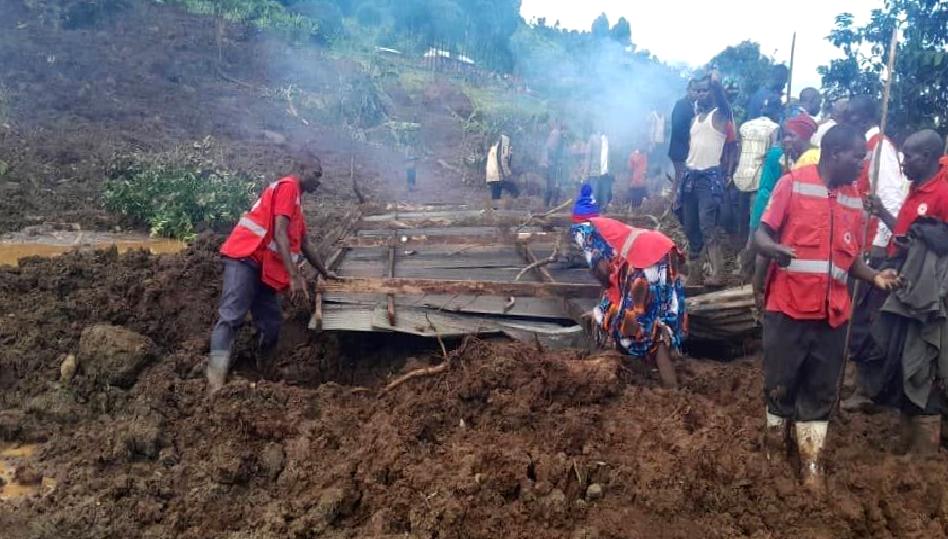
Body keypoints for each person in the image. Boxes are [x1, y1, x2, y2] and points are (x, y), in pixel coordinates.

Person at [754, 124, 900, 490]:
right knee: (780, 385)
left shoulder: (853, 198)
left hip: (832, 314)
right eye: (857, 157)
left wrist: (873, 277)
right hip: (788, 309)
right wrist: (773, 251)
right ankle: (774, 452)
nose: (862, 165)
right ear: (834, 153)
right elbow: (760, 235)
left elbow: (848, 260)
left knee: (820, 391)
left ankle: (811, 467)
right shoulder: (793, 183)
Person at [207, 151, 337, 393]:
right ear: (301, 168)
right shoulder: (288, 187)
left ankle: (262, 375)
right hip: (245, 256)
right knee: (231, 316)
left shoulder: (296, 202)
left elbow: (306, 243)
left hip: (263, 266)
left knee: (272, 323)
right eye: (316, 175)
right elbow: (279, 232)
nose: (319, 181)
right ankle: (215, 385)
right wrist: (295, 277)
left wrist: (326, 273)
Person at [860, 130, 948, 454]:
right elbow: (904, 233)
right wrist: (882, 212)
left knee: (922, 359)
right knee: (900, 356)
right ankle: (910, 441)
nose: (903, 161)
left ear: (926, 157)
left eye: (908, 156)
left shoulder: (943, 192)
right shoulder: (916, 188)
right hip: (904, 287)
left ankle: (925, 451)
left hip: (929, 299)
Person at [570, 209, 687, 389]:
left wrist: (602, 311)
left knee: (642, 325)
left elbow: (604, 272)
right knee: (661, 316)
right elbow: (613, 281)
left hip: (644, 259)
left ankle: (671, 388)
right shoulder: (602, 225)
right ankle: (666, 366)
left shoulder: (584, 233)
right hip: (662, 248)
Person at [744, 115, 820, 280]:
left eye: (792, 136)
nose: (786, 140)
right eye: (784, 135)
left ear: (805, 136)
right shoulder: (790, 157)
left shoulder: (811, 158)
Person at [676, 75, 734, 287]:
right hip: (691, 176)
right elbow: (692, 151)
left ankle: (718, 273)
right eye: (698, 91)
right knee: (691, 225)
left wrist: (717, 84)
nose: (701, 94)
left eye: (705, 90)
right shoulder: (695, 120)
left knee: (707, 226)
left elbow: (723, 101)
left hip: (708, 178)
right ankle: (695, 273)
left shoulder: (720, 116)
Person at [844, 95, 908, 256]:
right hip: (856, 237)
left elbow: (890, 197)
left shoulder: (880, 146)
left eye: (851, 114)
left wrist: (880, 244)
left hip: (871, 240)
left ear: (865, 117)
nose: (847, 120)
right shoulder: (864, 145)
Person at [733, 110, 780, 243]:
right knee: (755, 217)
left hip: (741, 175)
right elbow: (772, 154)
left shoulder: (745, 126)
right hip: (758, 177)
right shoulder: (774, 127)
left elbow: (740, 150)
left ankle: (740, 244)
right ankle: (750, 246)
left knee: (742, 215)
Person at [668, 80, 697, 186]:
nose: (696, 93)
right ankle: (675, 202)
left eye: (698, 91)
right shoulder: (681, 104)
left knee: (682, 180)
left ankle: (675, 201)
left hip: (687, 151)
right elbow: (677, 127)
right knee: (681, 180)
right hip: (680, 150)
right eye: (694, 90)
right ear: (688, 90)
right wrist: (691, 140)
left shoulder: (695, 106)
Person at [486, 133, 518, 207]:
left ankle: (493, 214)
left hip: (491, 173)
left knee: (495, 197)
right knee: (515, 191)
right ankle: (514, 209)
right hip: (499, 173)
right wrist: (507, 173)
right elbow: (504, 158)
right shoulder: (506, 140)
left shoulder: (495, 139)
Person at [584, 130, 613, 212]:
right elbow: (588, 156)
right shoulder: (593, 139)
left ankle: (602, 218)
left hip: (605, 173)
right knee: (594, 196)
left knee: (604, 197)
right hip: (594, 173)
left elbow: (611, 158)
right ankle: (592, 216)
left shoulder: (608, 140)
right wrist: (586, 173)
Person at [542, 120, 568, 208]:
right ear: (563, 129)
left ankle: (548, 204)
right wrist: (555, 160)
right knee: (554, 184)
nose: (566, 133)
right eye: (566, 130)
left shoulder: (559, 135)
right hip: (552, 164)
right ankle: (551, 204)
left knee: (552, 183)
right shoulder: (556, 134)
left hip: (553, 163)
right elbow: (550, 148)